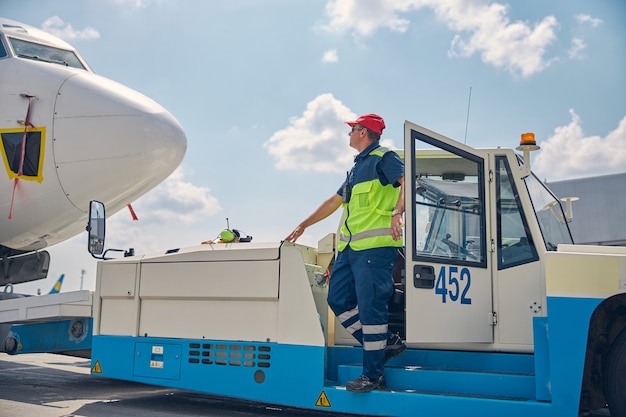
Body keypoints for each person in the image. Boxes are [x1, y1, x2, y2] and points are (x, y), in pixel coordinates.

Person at [285, 113, 406, 392]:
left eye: (352, 129)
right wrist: (304, 224)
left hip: (374, 249)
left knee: (371, 308)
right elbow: (334, 201)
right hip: (350, 249)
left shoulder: (384, 157)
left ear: (363, 132)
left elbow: (408, 182)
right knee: (337, 298)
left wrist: (397, 212)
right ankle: (385, 342)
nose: (348, 134)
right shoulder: (356, 168)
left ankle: (373, 375)